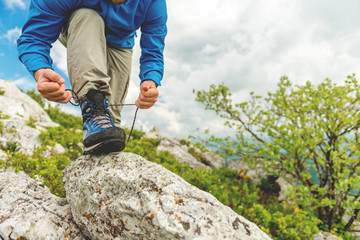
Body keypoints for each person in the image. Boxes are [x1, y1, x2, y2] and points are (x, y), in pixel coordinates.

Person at [17, 0, 167, 155]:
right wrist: (41, 70)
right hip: (80, 26)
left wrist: (151, 80)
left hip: (120, 44)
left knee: (108, 127)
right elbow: (34, 37)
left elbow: (154, 50)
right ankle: (92, 102)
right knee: (88, 16)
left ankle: (98, 155)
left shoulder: (154, 3)